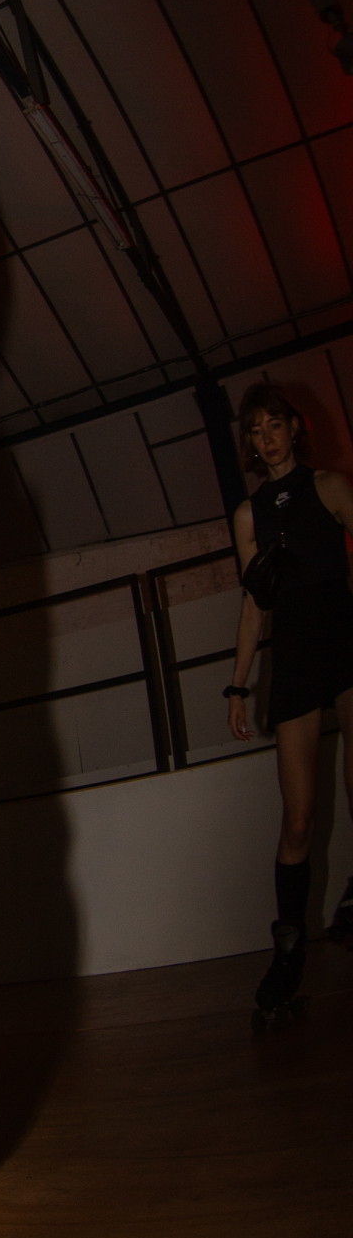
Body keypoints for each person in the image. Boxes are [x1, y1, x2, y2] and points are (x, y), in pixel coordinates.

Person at [225, 382, 353, 1023]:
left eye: (275, 424)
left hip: (348, 641)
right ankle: (289, 952)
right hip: (294, 659)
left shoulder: (330, 487)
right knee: (297, 820)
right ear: (248, 441)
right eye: (255, 429)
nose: (266, 437)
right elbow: (254, 604)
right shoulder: (249, 517)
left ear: (294, 429)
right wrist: (238, 684)